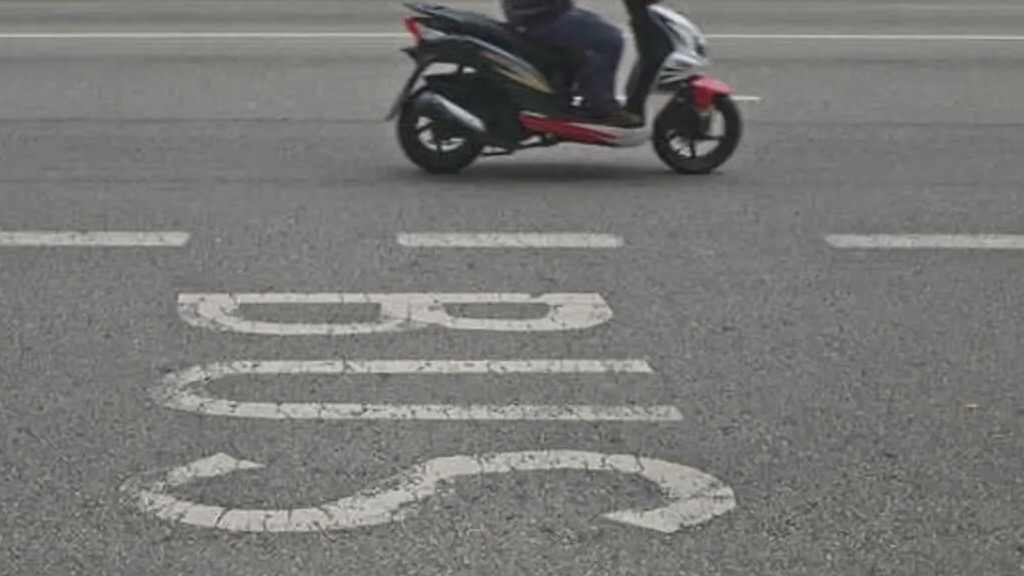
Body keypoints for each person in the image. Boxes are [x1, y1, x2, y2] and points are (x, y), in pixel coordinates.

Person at [501, 0, 643, 128]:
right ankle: (599, 106)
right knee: (609, 40)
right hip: (540, 18)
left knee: (596, 29)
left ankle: (573, 91)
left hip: (542, 13)